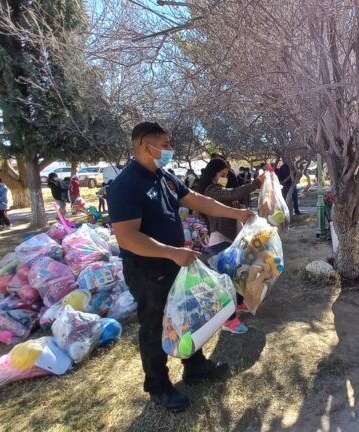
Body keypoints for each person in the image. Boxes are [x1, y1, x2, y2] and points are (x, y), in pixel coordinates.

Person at [109, 122, 254, 412]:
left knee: (188, 314)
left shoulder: (164, 177)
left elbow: (197, 199)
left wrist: (236, 212)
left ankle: (195, 367)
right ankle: (158, 386)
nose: (169, 150)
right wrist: (171, 252)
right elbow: (127, 237)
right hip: (147, 269)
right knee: (155, 326)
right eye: (164, 145)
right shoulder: (126, 185)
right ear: (145, 146)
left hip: (177, 263)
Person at [196, 158, 265, 334]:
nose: (225, 178)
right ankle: (228, 320)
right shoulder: (211, 190)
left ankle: (239, 303)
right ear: (213, 172)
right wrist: (257, 183)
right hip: (220, 240)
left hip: (231, 239)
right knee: (227, 282)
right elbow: (233, 193)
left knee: (238, 274)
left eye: (227, 175)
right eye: (223, 174)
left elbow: (234, 202)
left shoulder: (218, 190)